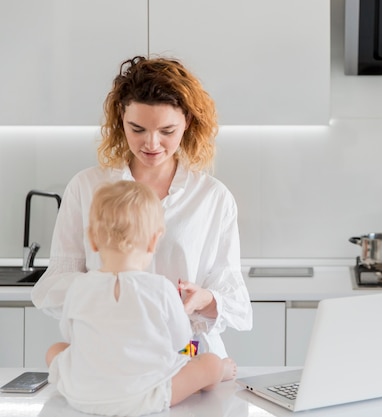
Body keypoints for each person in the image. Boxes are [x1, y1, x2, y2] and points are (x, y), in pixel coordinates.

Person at [32, 55, 253, 358]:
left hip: (187, 354)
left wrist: (205, 299)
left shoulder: (213, 198)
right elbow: (52, 288)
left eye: (167, 131)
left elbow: (236, 301)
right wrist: (114, 290)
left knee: (204, 370)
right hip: (112, 356)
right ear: (120, 118)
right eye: (137, 129)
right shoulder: (86, 188)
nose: (151, 144)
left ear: (187, 122)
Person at [45, 180, 237, 416]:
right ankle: (222, 371)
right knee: (210, 362)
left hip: (83, 393)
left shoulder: (77, 286)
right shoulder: (161, 288)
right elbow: (179, 343)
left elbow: (70, 335)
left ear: (93, 240)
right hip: (147, 394)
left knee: (55, 350)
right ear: (154, 241)